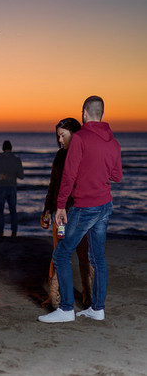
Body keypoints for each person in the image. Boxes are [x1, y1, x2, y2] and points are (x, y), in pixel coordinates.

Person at [39, 96, 122, 323]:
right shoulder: (113, 142)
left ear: (84, 113)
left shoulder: (81, 138)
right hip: (105, 206)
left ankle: (66, 309)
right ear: (102, 114)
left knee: (61, 254)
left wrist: (59, 206)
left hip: (84, 206)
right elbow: (117, 176)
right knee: (98, 259)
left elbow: (69, 175)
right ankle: (97, 308)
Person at [40, 118, 92, 308]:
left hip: (79, 212)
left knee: (83, 255)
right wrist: (47, 209)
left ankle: (88, 297)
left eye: (63, 135)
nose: (60, 140)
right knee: (58, 254)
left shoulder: (85, 154)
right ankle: (54, 297)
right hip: (58, 213)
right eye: (58, 136)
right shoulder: (60, 155)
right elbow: (53, 184)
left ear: (75, 133)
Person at [0, 140, 24, 237]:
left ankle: (0, 232)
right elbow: (21, 176)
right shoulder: (16, 160)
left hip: (1, 187)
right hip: (12, 187)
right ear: (11, 148)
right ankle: (14, 232)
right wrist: (13, 173)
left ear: (2, 148)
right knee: (13, 211)